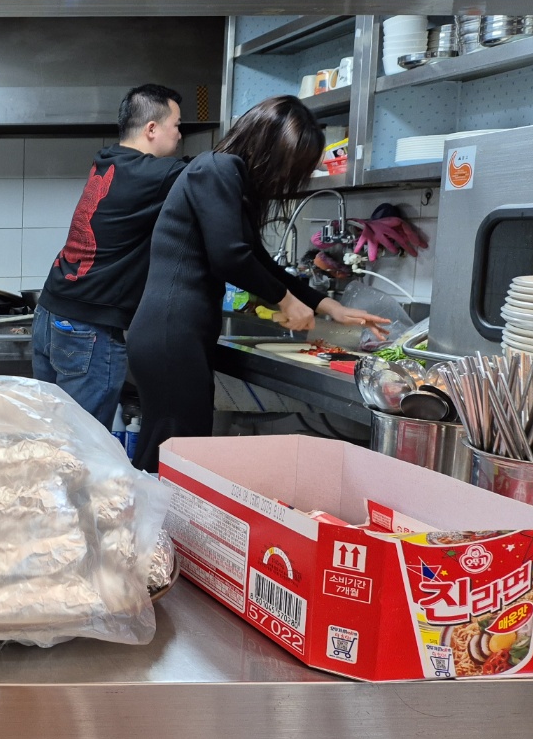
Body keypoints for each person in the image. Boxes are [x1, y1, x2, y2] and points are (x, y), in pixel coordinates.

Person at [125, 95, 391, 472]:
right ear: (271, 149)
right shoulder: (217, 168)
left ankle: (151, 508)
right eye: (290, 167)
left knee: (171, 450)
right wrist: (286, 301)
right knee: (173, 454)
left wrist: (327, 305)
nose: (286, 179)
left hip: (175, 333)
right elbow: (229, 256)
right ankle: (151, 510)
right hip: (170, 334)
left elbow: (256, 259)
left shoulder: (227, 176)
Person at [32, 84, 189, 428]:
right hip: (87, 327)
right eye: (177, 125)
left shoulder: (108, 159)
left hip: (50, 312)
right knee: (85, 445)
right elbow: (212, 173)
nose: (180, 135)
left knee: (53, 436)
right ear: (152, 128)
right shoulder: (156, 173)